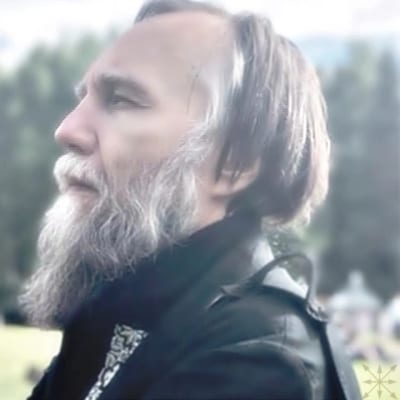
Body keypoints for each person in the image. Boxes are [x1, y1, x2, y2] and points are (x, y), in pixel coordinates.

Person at [21, 1, 361, 399]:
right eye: (84, 98)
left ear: (236, 162)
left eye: (121, 99)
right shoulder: (122, 305)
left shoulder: (258, 363)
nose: (68, 129)